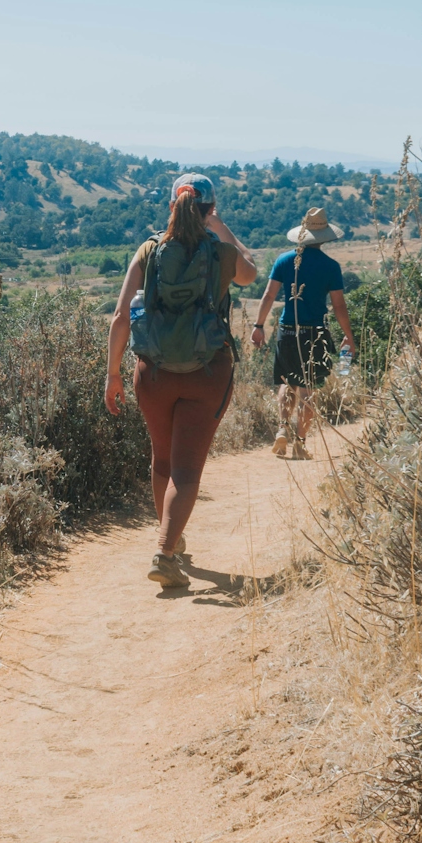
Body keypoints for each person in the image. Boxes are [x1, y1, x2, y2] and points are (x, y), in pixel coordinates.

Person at [106, 174, 258, 589]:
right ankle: (166, 551)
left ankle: (170, 537)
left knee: (163, 461)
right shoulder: (221, 252)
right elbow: (250, 274)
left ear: (172, 206)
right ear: (209, 210)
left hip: (152, 372)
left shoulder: (149, 250)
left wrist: (113, 373)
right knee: (187, 470)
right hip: (207, 371)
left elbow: (121, 316)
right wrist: (219, 226)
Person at [249, 207, 356, 460]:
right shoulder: (331, 266)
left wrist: (258, 325)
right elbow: (339, 306)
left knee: (288, 383)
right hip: (316, 333)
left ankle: (281, 429)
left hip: (287, 331)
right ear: (325, 237)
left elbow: (268, 295)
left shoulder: (284, 260)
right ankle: (300, 442)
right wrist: (348, 337)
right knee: (308, 390)